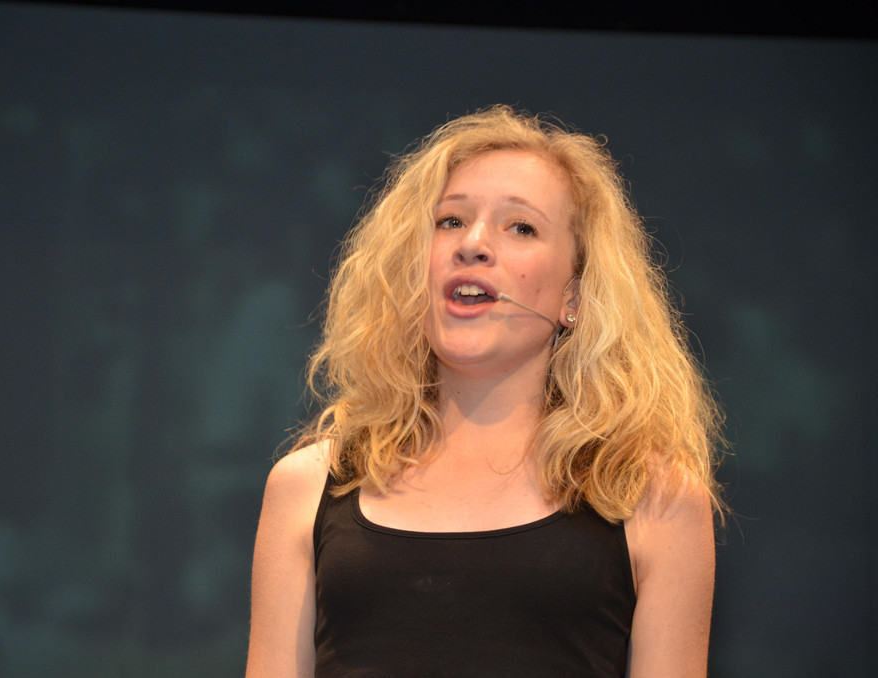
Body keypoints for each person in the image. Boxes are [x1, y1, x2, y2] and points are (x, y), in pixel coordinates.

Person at [245, 105, 725, 678]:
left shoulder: (653, 500)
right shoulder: (308, 487)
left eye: (520, 227)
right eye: (450, 220)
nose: (472, 244)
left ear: (575, 296)